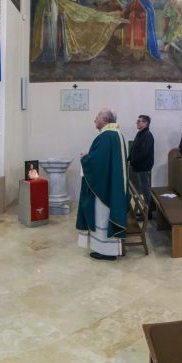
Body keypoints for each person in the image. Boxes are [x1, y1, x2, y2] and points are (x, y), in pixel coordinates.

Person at [76, 108, 130, 261]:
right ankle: (106, 250)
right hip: (110, 183)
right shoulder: (115, 134)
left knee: (102, 217)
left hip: (105, 187)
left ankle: (107, 251)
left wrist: (85, 159)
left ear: (104, 119)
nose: (95, 120)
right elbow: (103, 159)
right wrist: (91, 156)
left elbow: (97, 163)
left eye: (97, 117)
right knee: (103, 217)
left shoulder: (107, 136)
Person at [129, 115, 155, 214]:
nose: (137, 122)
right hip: (138, 166)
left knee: (145, 190)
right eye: (137, 120)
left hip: (144, 167)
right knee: (142, 189)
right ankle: (145, 211)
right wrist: (129, 158)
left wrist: (133, 161)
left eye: (139, 121)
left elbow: (144, 153)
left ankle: (148, 213)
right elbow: (134, 148)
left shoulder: (147, 135)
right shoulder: (140, 133)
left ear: (145, 123)